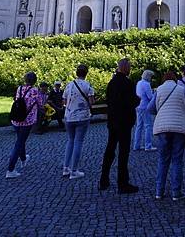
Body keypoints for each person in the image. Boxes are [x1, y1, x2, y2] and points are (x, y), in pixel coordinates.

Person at [148, 71, 185, 201]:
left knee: (163, 160)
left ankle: (159, 192)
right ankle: (176, 192)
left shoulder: (159, 90)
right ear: (175, 79)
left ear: (163, 79)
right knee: (177, 160)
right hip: (179, 128)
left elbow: (149, 108)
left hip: (163, 128)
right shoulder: (181, 89)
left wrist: (160, 111)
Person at [99, 58, 140, 194]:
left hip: (113, 121)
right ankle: (122, 183)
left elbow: (109, 100)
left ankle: (103, 180)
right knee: (123, 152)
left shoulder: (111, 83)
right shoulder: (128, 83)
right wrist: (137, 100)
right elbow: (131, 102)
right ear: (125, 68)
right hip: (124, 122)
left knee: (110, 150)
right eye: (129, 67)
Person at [6, 71, 42, 178]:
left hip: (16, 120)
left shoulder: (19, 88)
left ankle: (23, 159)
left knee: (21, 140)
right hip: (27, 121)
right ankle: (10, 170)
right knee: (19, 143)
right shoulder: (35, 91)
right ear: (35, 81)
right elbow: (40, 104)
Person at [63, 64, 95, 180]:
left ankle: (65, 167)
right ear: (86, 73)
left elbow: (64, 102)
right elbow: (91, 102)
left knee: (70, 141)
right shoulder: (88, 85)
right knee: (78, 142)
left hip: (69, 116)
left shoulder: (69, 85)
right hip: (82, 117)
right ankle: (74, 170)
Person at [133, 70, 156, 152]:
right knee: (148, 126)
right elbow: (150, 97)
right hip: (145, 107)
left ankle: (136, 145)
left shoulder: (139, 83)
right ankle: (148, 146)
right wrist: (155, 93)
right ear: (148, 76)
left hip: (138, 106)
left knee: (139, 126)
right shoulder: (146, 84)